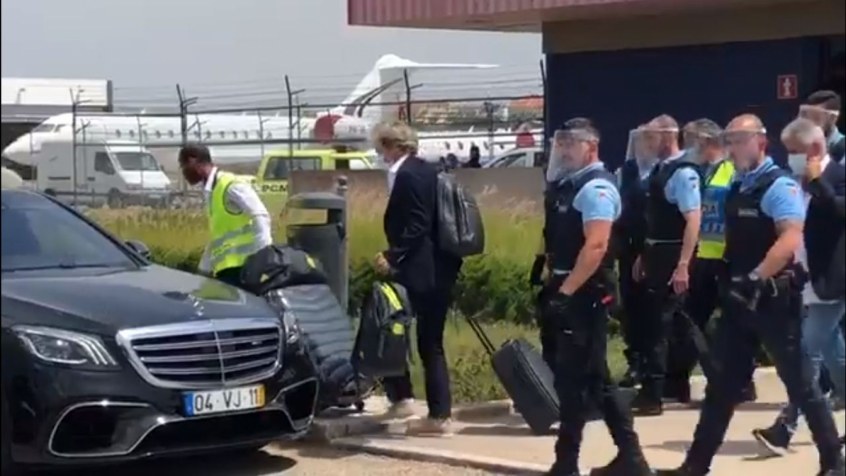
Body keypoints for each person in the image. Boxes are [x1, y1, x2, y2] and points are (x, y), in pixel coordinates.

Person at [656, 114, 845, 476]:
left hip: (773, 299)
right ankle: (696, 465)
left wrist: (757, 276)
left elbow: (790, 237)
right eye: (729, 140)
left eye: (740, 140)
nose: (733, 147)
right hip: (740, 300)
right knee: (722, 387)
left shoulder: (778, 186)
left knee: (803, 384)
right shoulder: (738, 185)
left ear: (761, 142)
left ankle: (834, 463)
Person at [541, 118, 652, 476]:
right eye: (562, 144)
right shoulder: (567, 186)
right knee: (590, 379)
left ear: (590, 146)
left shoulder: (596, 189)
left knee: (582, 380)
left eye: (571, 144)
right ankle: (626, 460)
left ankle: (571, 463)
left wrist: (566, 292)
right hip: (568, 290)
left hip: (586, 295)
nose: (564, 151)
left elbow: (598, 244)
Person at [752, 117, 846, 455]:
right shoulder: (791, 182)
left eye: (795, 151)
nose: (790, 157)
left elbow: (839, 212)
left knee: (806, 355)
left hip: (832, 281)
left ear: (815, 148)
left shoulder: (838, 175)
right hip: (802, 280)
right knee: (834, 355)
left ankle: (785, 427)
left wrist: (818, 181)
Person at [372, 121, 462, 436]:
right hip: (440, 266)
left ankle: (428, 411)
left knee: (398, 329)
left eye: (381, 147)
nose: (380, 153)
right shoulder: (428, 170)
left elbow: (418, 223)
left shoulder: (405, 174)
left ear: (393, 146)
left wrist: (392, 254)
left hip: (420, 269)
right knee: (427, 340)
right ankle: (419, 403)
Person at [669, 119, 757, 403]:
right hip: (705, 257)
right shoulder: (699, 172)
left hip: (728, 258)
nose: (689, 149)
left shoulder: (732, 170)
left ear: (708, 143)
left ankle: (740, 383)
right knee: (690, 320)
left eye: (693, 142)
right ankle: (679, 381)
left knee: (734, 323)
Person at [630, 115, 703, 415]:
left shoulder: (683, 174)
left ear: (667, 137)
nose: (647, 145)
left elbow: (692, 219)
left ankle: (654, 393)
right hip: (657, 255)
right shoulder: (659, 171)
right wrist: (643, 254)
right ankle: (675, 383)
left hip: (673, 257)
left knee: (663, 325)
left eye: (651, 138)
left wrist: (683, 264)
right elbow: (655, 221)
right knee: (667, 324)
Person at [177, 143, 272, 287]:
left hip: (246, 269)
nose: (183, 172)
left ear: (193, 161)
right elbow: (218, 238)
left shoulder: (230, 185)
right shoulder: (212, 192)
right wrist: (203, 271)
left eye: (183, 166)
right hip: (227, 272)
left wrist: (263, 261)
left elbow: (261, 217)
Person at [614, 124, 655, 388]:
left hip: (652, 248)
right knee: (630, 309)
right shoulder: (626, 172)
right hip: (626, 249)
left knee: (651, 311)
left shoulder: (662, 173)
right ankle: (635, 361)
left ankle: (652, 365)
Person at [800, 90, 845, 163]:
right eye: (807, 115)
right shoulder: (803, 147)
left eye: (816, 117)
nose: (810, 122)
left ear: (832, 118)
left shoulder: (842, 149)